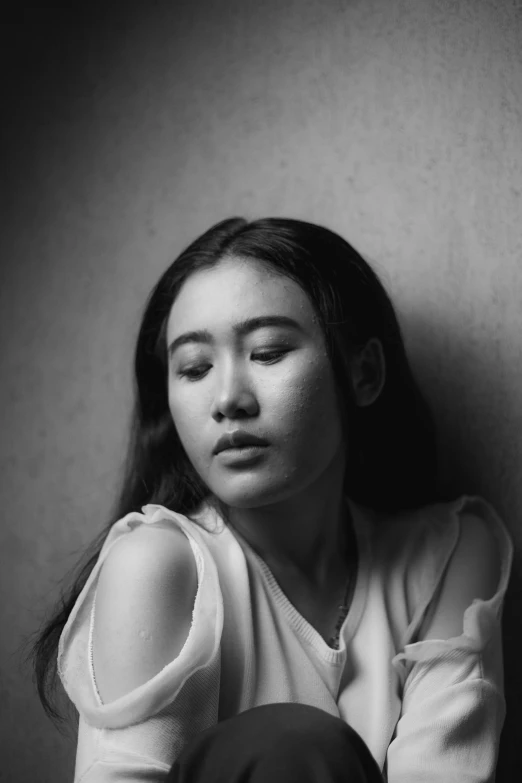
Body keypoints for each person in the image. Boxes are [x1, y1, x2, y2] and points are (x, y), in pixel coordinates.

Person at [30, 217, 513, 782]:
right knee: (289, 743)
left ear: (364, 373)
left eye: (267, 352)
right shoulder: (156, 565)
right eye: (194, 368)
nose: (228, 399)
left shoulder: (451, 552)